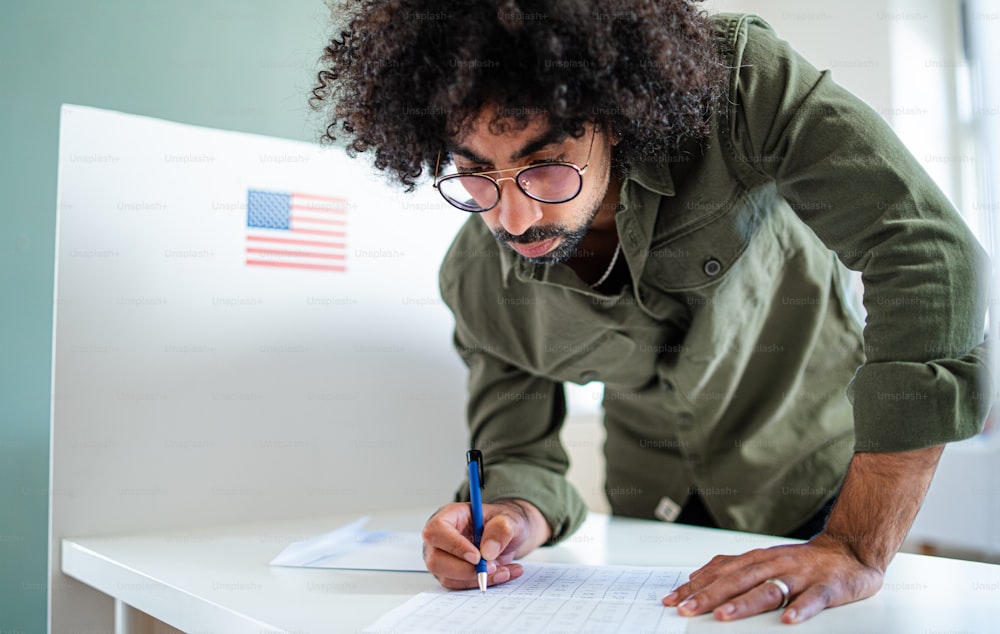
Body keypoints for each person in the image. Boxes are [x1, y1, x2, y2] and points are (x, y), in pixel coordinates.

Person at [310, 0, 993, 624]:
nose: (514, 220)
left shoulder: (736, 86)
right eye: (475, 172)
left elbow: (927, 252)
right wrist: (512, 515)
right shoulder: (477, 282)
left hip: (821, 486)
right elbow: (519, 452)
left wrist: (854, 543)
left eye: (545, 163)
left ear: (613, 117)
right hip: (654, 512)